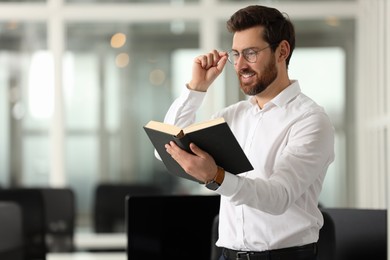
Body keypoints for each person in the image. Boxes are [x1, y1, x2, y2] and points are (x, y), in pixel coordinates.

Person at [163, 5, 334, 260]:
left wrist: (216, 177)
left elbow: (279, 197)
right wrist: (197, 88)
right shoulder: (232, 116)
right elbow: (167, 147)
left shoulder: (310, 120)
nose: (240, 65)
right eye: (236, 54)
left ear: (282, 51)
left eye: (251, 53)